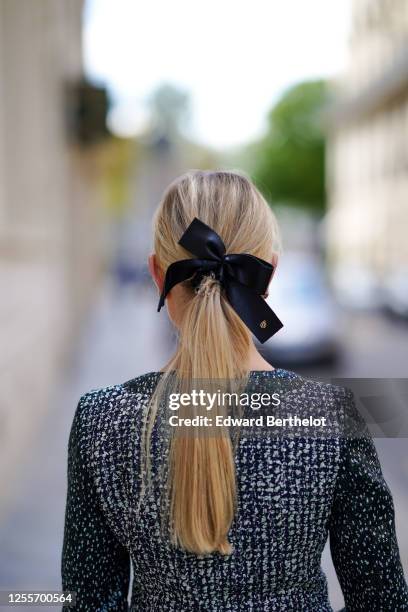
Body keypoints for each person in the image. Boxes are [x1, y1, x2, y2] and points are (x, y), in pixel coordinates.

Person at [61, 170, 408, 611]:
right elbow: (383, 601)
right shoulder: (330, 414)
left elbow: (87, 602)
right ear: (267, 277)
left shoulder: (101, 418)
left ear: (156, 273)